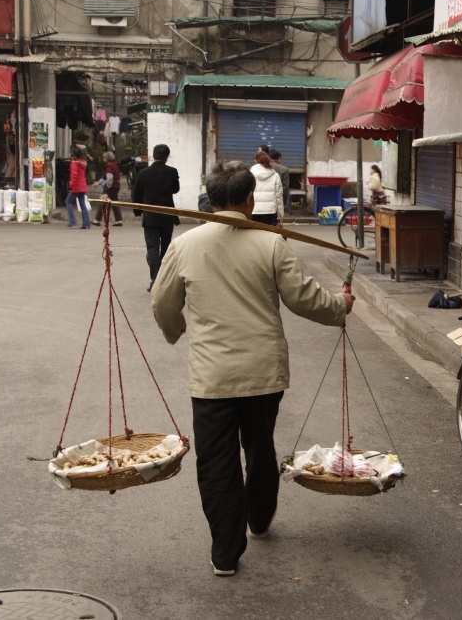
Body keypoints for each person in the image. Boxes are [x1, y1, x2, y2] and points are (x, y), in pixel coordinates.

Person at [151, 160, 354, 577]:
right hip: (263, 375)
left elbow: (162, 303)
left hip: (212, 378)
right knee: (259, 449)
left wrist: (176, 331)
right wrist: (340, 307)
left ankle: (226, 552)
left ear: (210, 199)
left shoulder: (186, 245)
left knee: (215, 462)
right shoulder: (271, 243)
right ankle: (258, 519)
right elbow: (304, 298)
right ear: (249, 200)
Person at [132, 144, 180, 292]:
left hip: (150, 216)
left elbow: (136, 194)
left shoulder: (143, 173)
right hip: (167, 216)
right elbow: (175, 189)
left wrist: (137, 211)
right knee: (165, 248)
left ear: (153, 155)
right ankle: (160, 278)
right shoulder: (172, 172)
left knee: (152, 248)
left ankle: (156, 279)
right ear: (167, 156)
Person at [249, 149, 283, 226]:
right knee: (269, 236)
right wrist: (281, 214)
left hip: (254, 211)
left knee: (255, 235)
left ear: (255, 160)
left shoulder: (249, 175)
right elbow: (278, 197)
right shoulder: (275, 175)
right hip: (270, 212)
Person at [66, 146, 91, 230]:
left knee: (68, 201)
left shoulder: (74, 163)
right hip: (82, 186)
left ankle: (72, 221)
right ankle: (86, 223)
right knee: (83, 204)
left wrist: (71, 185)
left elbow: (74, 176)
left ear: (73, 155)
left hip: (76, 187)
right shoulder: (82, 162)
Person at [100, 151, 123, 226]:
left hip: (111, 187)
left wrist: (107, 186)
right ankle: (119, 220)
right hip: (116, 186)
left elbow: (109, 177)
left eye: (104, 157)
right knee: (115, 203)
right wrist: (98, 183)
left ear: (106, 158)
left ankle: (96, 219)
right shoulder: (114, 164)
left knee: (103, 202)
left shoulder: (109, 166)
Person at [268, 148, 290, 213]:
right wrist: (283, 203)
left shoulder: (262, 168)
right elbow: (285, 188)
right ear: (279, 158)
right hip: (277, 202)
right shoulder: (284, 170)